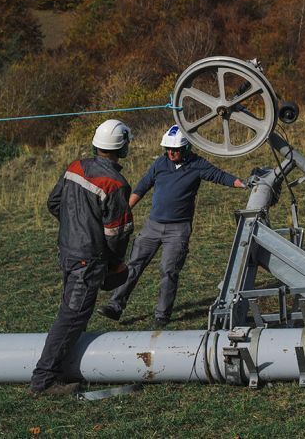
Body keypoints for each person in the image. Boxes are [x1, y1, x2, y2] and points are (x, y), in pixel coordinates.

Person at [97, 124, 245, 328]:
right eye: (167, 148)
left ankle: (162, 315)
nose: (171, 152)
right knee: (133, 265)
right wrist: (124, 210)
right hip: (152, 226)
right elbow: (142, 186)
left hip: (178, 230)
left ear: (186, 149)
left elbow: (221, 176)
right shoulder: (160, 163)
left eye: (175, 149)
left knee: (169, 271)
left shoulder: (197, 164)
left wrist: (244, 184)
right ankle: (115, 305)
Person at [30, 118, 134, 396]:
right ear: (122, 147)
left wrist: (73, 229)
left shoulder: (75, 167)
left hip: (67, 251)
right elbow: (117, 233)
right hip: (89, 261)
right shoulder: (115, 183)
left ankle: (64, 367)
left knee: (73, 312)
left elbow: (54, 203)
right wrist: (114, 265)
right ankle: (44, 380)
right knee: (72, 316)